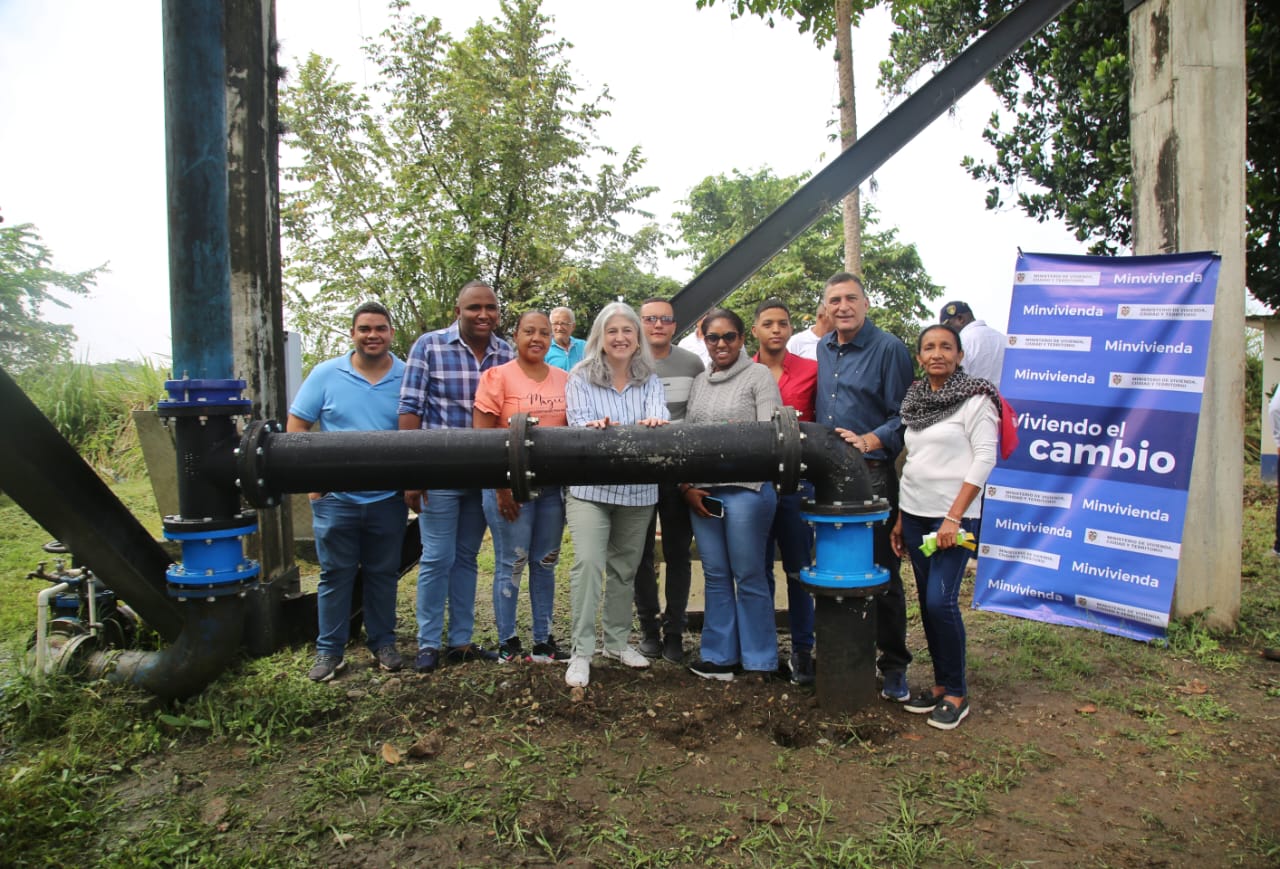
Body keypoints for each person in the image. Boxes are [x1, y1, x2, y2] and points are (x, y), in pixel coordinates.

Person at [288, 301, 408, 682]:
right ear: (352, 334)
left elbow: (416, 433)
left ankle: (383, 644)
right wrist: (314, 487)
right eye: (365, 329)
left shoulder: (407, 375)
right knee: (334, 575)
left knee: (383, 574)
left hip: (387, 499)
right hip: (336, 500)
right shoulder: (325, 375)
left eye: (380, 328)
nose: (373, 335)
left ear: (391, 333)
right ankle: (329, 652)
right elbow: (297, 429)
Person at [399, 280, 513, 673]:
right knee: (436, 557)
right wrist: (411, 474)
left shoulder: (507, 352)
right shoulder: (429, 346)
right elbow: (410, 409)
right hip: (440, 472)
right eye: (474, 308)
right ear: (457, 311)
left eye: (491, 308)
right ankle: (428, 642)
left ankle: (460, 641)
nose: (483, 315)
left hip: (484, 475)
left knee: (466, 558)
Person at [891, 324, 999, 730]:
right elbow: (912, 463)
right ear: (919, 357)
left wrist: (954, 517)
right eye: (929, 347)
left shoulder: (976, 399)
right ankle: (939, 686)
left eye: (946, 347)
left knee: (941, 602)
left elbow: (984, 458)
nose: (937, 353)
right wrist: (902, 517)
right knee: (928, 603)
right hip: (916, 515)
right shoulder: (917, 401)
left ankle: (956, 692)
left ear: (959, 355)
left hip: (954, 519)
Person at [816, 272, 915, 702]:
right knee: (835, 568)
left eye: (851, 298)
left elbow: (906, 414)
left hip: (872, 475)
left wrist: (871, 440)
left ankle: (894, 665)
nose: (843, 307)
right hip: (825, 477)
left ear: (866, 303)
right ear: (826, 308)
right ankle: (842, 654)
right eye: (835, 300)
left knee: (883, 574)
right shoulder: (823, 347)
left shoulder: (889, 349)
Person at [563, 302, 670, 688]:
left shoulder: (650, 379)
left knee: (625, 570)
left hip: (639, 489)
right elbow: (578, 425)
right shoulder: (579, 377)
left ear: (637, 337)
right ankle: (581, 651)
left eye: (628, 331)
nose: (621, 338)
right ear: (600, 338)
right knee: (589, 564)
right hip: (591, 487)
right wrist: (593, 428)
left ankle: (617, 641)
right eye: (613, 332)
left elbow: (658, 420)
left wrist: (655, 424)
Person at [682, 308, 783, 681]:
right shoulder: (699, 382)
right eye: (713, 338)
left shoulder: (758, 377)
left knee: (750, 575)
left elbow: (768, 438)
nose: (721, 344)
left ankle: (759, 661)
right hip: (703, 495)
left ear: (743, 339)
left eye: (729, 337)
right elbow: (688, 439)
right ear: (703, 340)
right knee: (716, 575)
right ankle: (718, 656)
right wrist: (688, 487)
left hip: (747, 491)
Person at [473, 310, 571, 664]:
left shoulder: (565, 379)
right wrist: (499, 488)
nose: (537, 338)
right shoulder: (496, 377)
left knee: (545, 563)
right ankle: (507, 642)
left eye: (544, 333)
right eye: (528, 331)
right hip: (509, 490)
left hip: (550, 491)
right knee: (511, 561)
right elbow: (480, 440)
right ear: (515, 336)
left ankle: (543, 641)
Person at [632, 297, 706, 663]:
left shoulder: (692, 363)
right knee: (639, 555)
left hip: (679, 474)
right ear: (640, 323)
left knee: (678, 554)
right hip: (638, 474)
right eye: (650, 319)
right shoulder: (627, 362)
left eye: (665, 319)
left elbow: (697, 416)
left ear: (675, 325)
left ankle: (675, 631)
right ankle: (648, 629)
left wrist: (689, 475)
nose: (657, 325)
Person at [752, 298, 818, 684]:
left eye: (782, 323)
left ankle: (803, 651)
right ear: (756, 330)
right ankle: (761, 653)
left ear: (791, 329)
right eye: (768, 323)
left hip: (798, 484)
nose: (776, 329)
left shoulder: (811, 370)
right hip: (755, 483)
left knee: (798, 570)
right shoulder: (743, 371)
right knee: (757, 569)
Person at [938, 300, 1007, 387]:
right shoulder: (1003, 339)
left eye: (948, 326)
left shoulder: (961, 342)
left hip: (974, 399)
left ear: (960, 319)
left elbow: (953, 384)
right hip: (1006, 399)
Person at [546, 306, 586, 372]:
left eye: (564, 323)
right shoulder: (544, 349)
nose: (559, 328)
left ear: (573, 326)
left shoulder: (584, 346)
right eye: (555, 323)